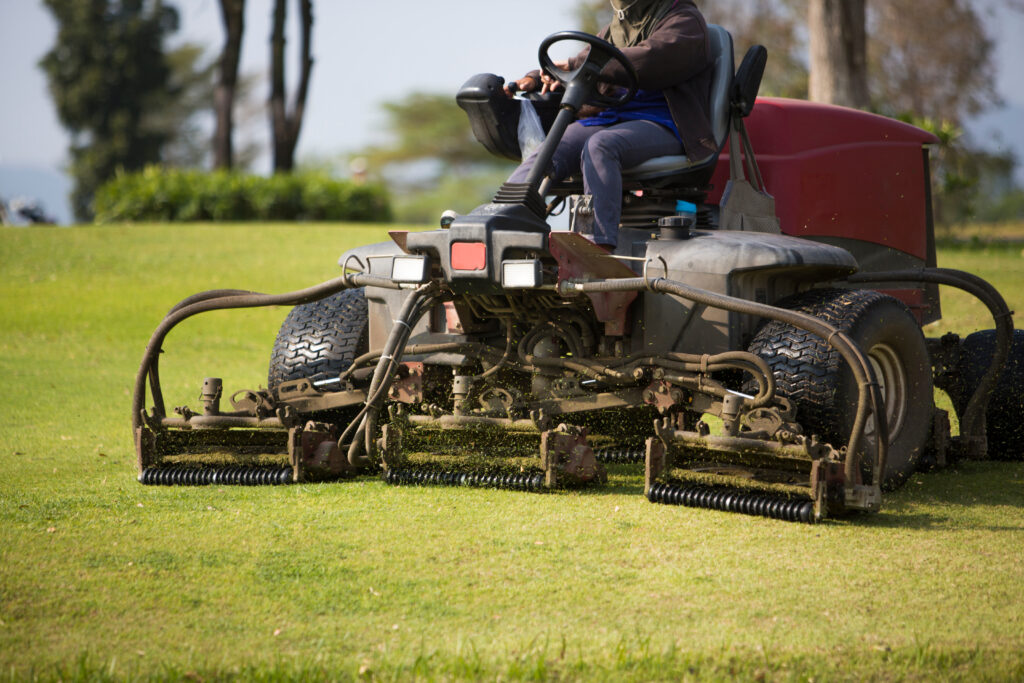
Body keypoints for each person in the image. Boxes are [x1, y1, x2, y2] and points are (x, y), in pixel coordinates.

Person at [504, 0, 715, 251]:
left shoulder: (685, 21)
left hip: (666, 123)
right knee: (552, 148)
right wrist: (537, 78)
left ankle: (599, 246)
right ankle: (499, 222)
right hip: (613, 118)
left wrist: (577, 65)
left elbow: (648, 59)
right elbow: (583, 64)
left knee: (601, 146)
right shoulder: (616, 30)